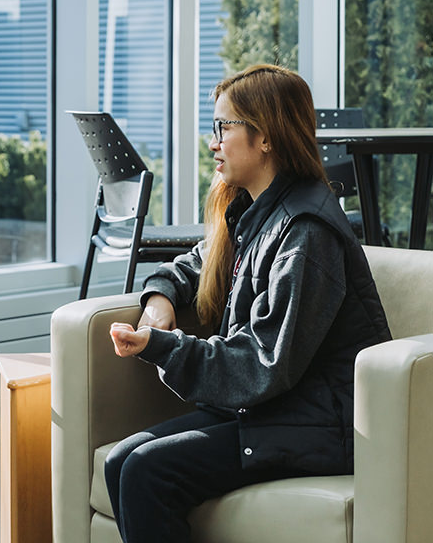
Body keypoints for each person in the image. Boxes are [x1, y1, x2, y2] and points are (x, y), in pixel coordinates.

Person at [104, 64, 391, 543]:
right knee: (120, 461)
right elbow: (193, 264)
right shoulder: (254, 210)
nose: (213, 142)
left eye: (223, 127)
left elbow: (262, 364)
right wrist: (159, 300)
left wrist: (163, 346)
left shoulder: (307, 233)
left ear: (266, 138)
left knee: (146, 472)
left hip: (322, 422)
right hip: (276, 408)